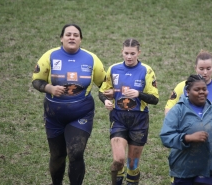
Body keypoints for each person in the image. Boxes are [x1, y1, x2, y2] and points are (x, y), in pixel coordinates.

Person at [31, 23, 106, 185]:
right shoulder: (50, 56)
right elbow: (36, 81)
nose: (72, 37)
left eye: (76, 35)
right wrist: (49, 87)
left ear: (80, 39)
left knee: (76, 153)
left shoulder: (91, 59)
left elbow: (104, 85)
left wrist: (109, 97)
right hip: (54, 116)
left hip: (81, 115)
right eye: (68, 34)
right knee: (57, 156)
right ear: (61, 38)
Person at [99, 38, 159, 185]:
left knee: (133, 165)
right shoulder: (113, 69)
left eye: (133, 53)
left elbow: (155, 99)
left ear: (139, 52)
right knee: (119, 160)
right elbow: (102, 91)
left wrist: (139, 94)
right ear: (122, 52)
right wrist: (106, 100)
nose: (129, 57)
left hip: (139, 120)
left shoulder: (147, 70)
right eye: (126, 53)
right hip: (118, 118)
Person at [160, 74, 212, 185]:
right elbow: (166, 136)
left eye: (204, 89)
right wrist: (188, 138)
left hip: (210, 168)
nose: (201, 92)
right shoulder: (177, 110)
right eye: (197, 89)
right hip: (184, 168)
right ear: (187, 91)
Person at [164, 50, 212, 116]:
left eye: (208, 68)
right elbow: (168, 110)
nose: (205, 72)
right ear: (196, 68)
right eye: (201, 69)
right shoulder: (182, 87)